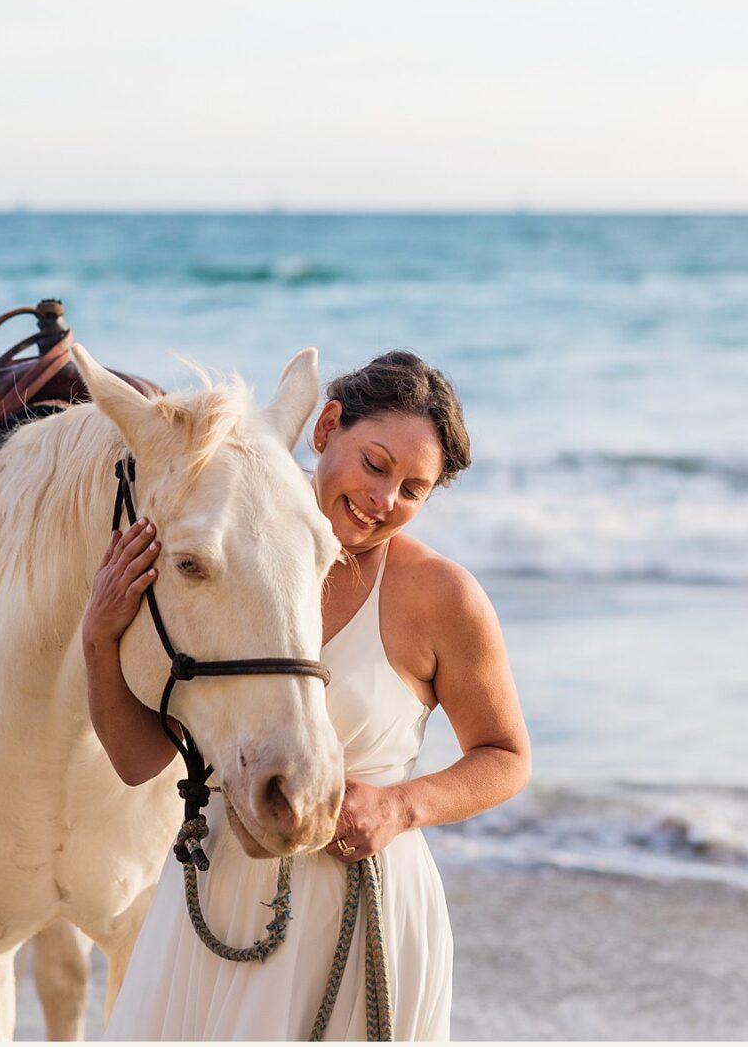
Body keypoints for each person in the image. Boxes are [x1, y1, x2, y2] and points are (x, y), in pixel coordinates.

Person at [86, 350, 531, 1040]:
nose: (385, 499)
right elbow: (139, 760)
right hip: (213, 907)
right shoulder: (223, 554)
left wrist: (399, 805)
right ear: (325, 427)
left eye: (414, 489)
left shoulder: (443, 596)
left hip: (362, 911)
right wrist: (99, 636)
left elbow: (506, 755)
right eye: (376, 464)